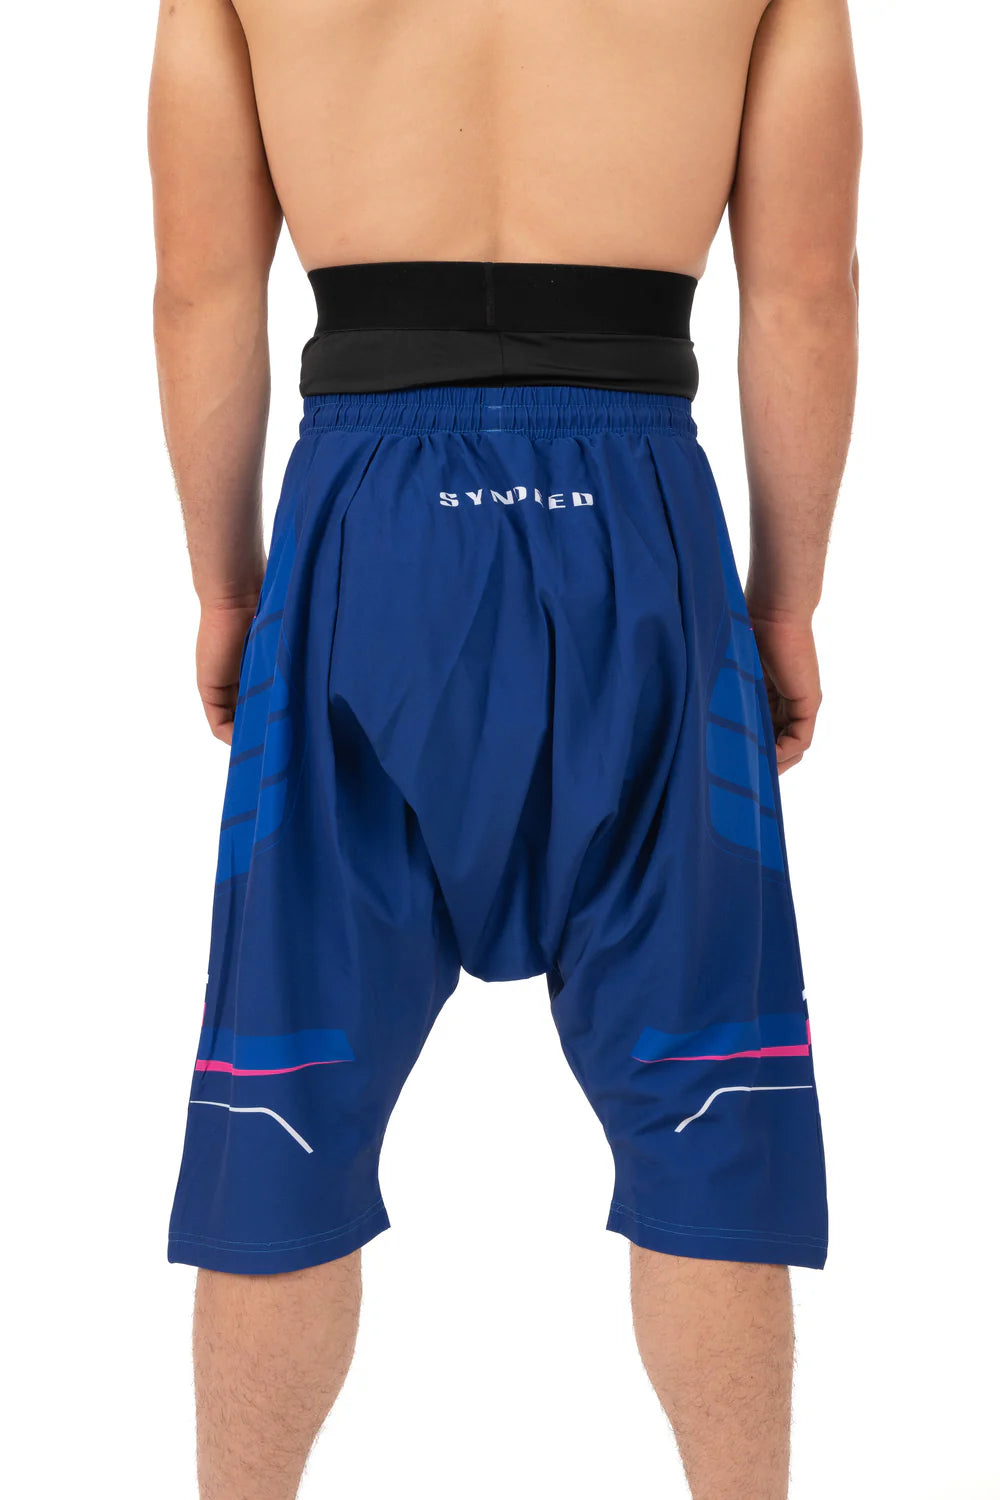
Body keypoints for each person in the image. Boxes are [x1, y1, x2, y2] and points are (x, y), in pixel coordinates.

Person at [148, 0, 860, 1495]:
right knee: (709, 1099)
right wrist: (786, 603)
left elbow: (201, 288)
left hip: (367, 540)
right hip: (641, 536)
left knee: (285, 1097)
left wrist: (226, 588)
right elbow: (803, 288)